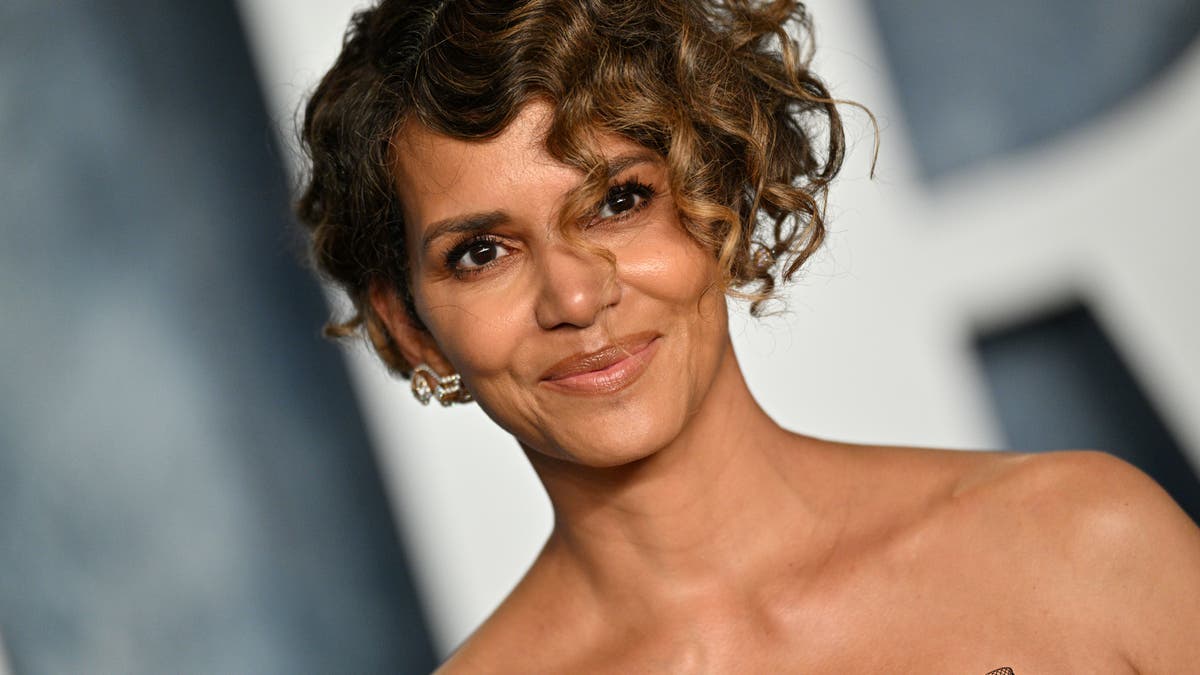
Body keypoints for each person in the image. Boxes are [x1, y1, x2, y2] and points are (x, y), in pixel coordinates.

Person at [296, 0, 1200, 671]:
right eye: (482, 251)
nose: (573, 295)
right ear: (407, 324)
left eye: (619, 201)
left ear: (719, 197)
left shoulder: (1081, 541)